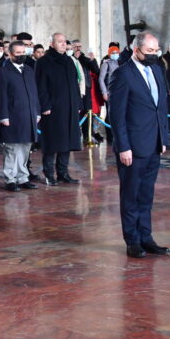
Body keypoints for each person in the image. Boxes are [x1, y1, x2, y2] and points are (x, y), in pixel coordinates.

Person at [109, 32, 169, 258]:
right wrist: (123, 147)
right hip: (132, 148)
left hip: (153, 145)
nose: (154, 56)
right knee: (131, 195)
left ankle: (147, 237)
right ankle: (132, 240)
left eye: (156, 51)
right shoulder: (122, 74)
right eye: (149, 52)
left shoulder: (156, 69)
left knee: (146, 195)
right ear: (136, 50)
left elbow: (160, 107)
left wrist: (163, 138)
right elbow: (117, 115)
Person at [35, 33, 82, 185]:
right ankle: (49, 174)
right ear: (52, 44)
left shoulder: (69, 61)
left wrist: (77, 104)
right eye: (59, 42)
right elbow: (40, 86)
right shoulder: (44, 62)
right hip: (53, 109)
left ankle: (63, 173)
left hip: (69, 108)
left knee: (66, 142)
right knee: (52, 143)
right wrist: (45, 105)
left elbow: (75, 84)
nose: (63, 44)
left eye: (64, 42)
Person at [0, 41, 40, 192]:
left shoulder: (28, 70)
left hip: (28, 115)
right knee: (12, 149)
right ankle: (10, 179)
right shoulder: (3, 71)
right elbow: (1, 96)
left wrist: (37, 111)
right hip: (12, 117)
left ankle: (23, 177)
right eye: (18, 53)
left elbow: (34, 92)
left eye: (23, 53)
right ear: (10, 54)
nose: (21, 56)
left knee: (25, 148)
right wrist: (3, 116)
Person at [72, 39, 101, 142]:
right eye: (75, 46)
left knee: (87, 111)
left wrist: (92, 60)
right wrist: (75, 58)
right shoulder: (69, 58)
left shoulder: (86, 58)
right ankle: (75, 136)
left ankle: (88, 135)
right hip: (75, 89)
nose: (78, 48)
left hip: (86, 88)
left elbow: (96, 70)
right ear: (71, 47)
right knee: (76, 112)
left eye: (79, 46)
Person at [99, 46, 121, 144]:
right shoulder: (106, 64)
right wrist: (104, 92)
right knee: (110, 114)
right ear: (109, 53)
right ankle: (110, 136)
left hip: (119, 92)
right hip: (109, 92)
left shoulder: (120, 63)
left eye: (117, 52)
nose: (115, 54)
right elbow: (101, 79)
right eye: (113, 52)